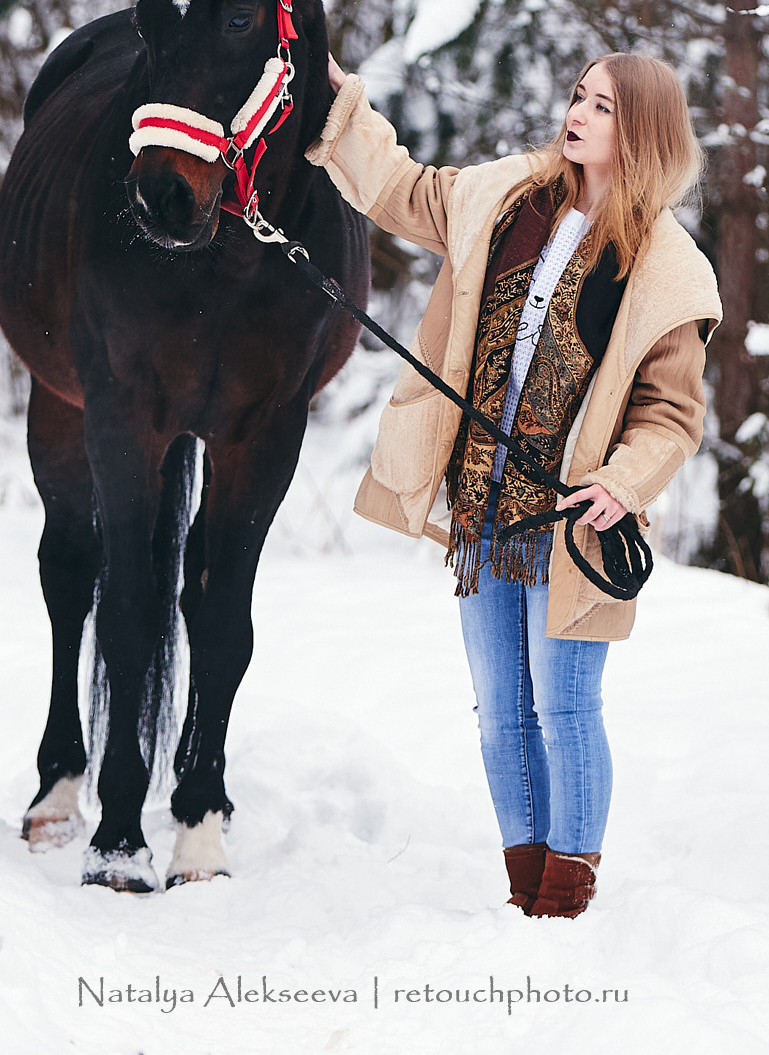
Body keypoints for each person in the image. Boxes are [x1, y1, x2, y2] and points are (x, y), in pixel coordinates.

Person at [304, 50, 721, 919]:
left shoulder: (666, 267)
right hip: (482, 506)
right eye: (577, 95)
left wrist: (621, 482)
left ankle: (568, 896)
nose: (577, 113)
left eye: (602, 106)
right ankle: (525, 892)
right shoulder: (505, 200)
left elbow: (671, 413)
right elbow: (400, 189)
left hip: (572, 524)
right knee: (501, 715)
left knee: (566, 709)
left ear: (639, 129)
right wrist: (342, 102)